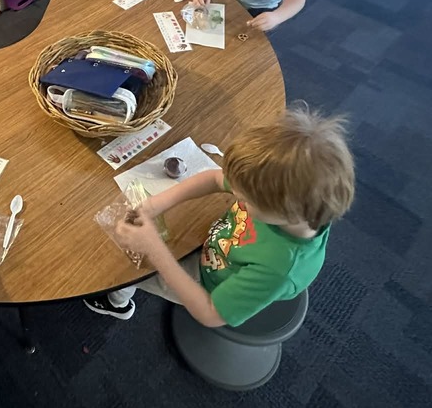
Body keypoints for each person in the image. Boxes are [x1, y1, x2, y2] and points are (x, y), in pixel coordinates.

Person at [83, 106, 355, 326]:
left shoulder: (280, 268)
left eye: (245, 200)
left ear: (287, 213)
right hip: (219, 244)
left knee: (127, 270)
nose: (236, 196)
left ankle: (117, 303)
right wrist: (156, 204)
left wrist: (153, 248)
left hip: (209, 282)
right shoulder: (289, 198)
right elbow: (214, 179)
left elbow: (210, 314)